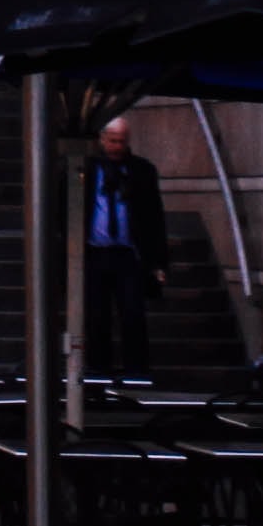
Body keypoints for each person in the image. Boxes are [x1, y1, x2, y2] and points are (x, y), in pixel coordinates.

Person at [80, 117, 170, 385]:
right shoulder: (86, 168)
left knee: (132, 313)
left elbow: (154, 216)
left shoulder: (141, 170)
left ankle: (136, 370)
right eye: (113, 141)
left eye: (122, 142)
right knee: (96, 314)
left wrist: (158, 262)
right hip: (95, 252)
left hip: (127, 252)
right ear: (102, 140)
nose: (117, 147)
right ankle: (98, 369)